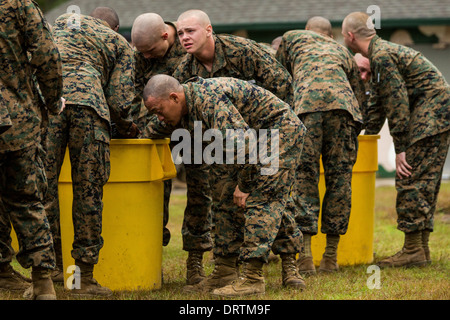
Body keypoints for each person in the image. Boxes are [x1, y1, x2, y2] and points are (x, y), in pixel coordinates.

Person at [143, 74, 306, 296]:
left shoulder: (209, 100)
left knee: (262, 197)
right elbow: (154, 127)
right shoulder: (184, 103)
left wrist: (245, 186)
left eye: (159, 111)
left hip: (278, 131)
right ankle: (225, 270)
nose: (159, 118)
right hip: (249, 138)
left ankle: (252, 278)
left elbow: (245, 146)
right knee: (223, 194)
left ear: (174, 97)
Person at [169, 9, 296, 283]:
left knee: (270, 196)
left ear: (208, 30)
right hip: (222, 141)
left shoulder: (243, 51)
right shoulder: (184, 71)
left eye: (190, 31)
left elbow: (283, 85)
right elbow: (186, 113)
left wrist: (269, 136)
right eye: (180, 33)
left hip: (264, 133)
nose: (184, 37)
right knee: (223, 199)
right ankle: (225, 269)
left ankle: (290, 265)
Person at [342, 12, 450, 268]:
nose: (364, 76)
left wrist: (400, 148)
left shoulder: (380, 56)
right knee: (423, 178)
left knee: (410, 176)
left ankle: (412, 250)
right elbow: (378, 106)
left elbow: (397, 101)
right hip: (437, 111)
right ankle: (420, 250)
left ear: (349, 36)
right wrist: (362, 137)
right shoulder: (381, 54)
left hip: (430, 112)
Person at [45, 7, 139, 296]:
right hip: (89, 108)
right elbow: (120, 101)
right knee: (88, 192)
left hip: (50, 106)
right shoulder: (119, 43)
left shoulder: (60, 23)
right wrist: (127, 129)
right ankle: (83, 278)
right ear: (114, 27)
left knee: (43, 191)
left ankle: (46, 276)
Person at [276, 17, 366, 275]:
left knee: (304, 179)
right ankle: (331, 257)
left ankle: (305, 258)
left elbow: (280, 78)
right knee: (340, 181)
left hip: (306, 111)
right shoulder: (343, 51)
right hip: (344, 112)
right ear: (330, 35)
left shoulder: (292, 37)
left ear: (308, 31)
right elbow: (359, 93)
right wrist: (356, 127)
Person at [132, 13, 213, 286]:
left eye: (150, 51)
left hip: (194, 130)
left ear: (166, 36)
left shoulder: (189, 44)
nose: (146, 57)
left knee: (200, 192)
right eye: (141, 52)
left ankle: (195, 262)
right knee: (154, 191)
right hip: (158, 128)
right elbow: (134, 95)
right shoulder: (142, 52)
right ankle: (150, 256)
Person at [0, 0, 63, 300]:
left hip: (15, 120)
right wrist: (52, 101)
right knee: (26, 199)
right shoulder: (18, 5)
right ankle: (43, 284)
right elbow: (47, 56)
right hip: (16, 122)